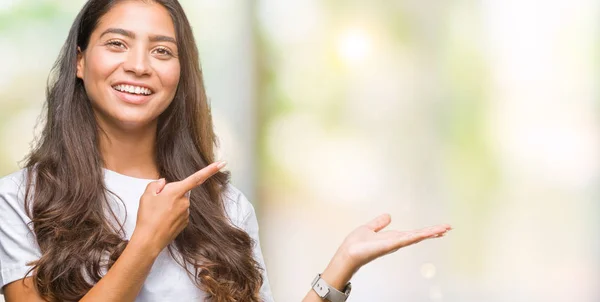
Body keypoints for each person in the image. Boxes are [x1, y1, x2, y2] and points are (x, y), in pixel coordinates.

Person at [0, 0, 452, 301]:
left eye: (162, 51)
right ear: (80, 61)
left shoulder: (225, 207)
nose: (138, 65)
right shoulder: (18, 199)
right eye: (117, 44)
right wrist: (147, 241)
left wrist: (340, 266)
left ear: (181, 74)